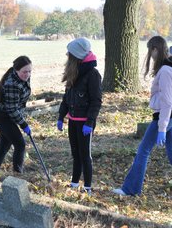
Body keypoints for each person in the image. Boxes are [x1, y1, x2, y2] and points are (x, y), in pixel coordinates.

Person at [112, 36, 172, 196]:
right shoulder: (167, 68)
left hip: (164, 117)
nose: (150, 55)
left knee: (143, 150)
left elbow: (167, 102)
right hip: (167, 117)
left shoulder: (166, 70)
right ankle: (131, 188)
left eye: (150, 50)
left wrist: (162, 128)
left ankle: (131, 189)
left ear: (155, 49)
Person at [57, 37, 102, 195]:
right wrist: (61, 116)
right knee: (75, 154)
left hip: (85, 123)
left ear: (76, 56)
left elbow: (96, 101)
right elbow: (66, 98)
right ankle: (74, 184)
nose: (67, 56)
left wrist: (90, 122)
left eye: (69, 54)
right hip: (72, 121)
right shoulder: (73, 73)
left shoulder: (92, 75)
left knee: (85, 155)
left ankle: (88, 187)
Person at [0, 56, 32, 180]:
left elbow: (17, 105)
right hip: (2, 117)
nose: (27, 74)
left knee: (4, 145)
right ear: (16, 70)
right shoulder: (11, 84)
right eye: (25, 72)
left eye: (30, 71)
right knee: (20, 144)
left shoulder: (23, 76)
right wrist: (23, 124)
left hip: (8, 115)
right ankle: (17, 175)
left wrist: (21, 118)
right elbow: (12, 109)